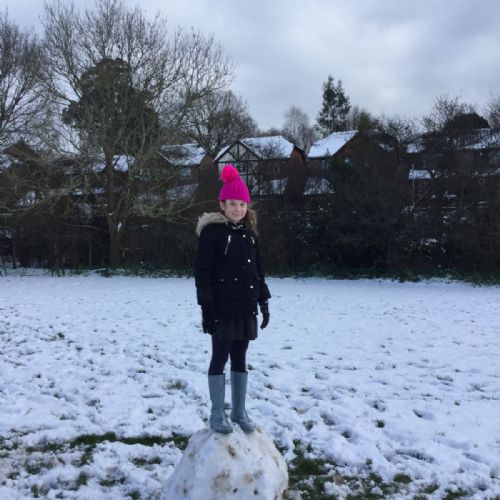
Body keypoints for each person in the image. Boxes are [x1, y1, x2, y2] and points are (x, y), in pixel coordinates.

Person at [195, 164, 271, 434]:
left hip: (246, 307)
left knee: (240, 357)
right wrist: (207, 308)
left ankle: (239, 411)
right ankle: (217, 414)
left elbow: (257, 271)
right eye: (232, 203)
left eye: (242, 204)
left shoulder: (249, 235)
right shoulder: (212, 233)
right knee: (220, 357)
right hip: (223, 309)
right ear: (222, 205)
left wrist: (263, 302)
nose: (238, 209)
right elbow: (202, 272)